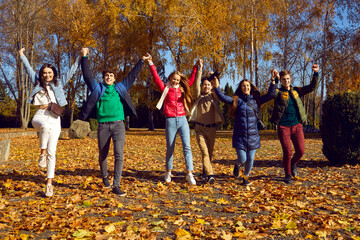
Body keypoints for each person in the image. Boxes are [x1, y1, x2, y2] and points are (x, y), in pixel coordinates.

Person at [79, 48, 150, 196]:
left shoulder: (120, 87)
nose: (109, 77)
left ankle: (116, 185)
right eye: (106, 75)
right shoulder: (97, 87)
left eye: (111, 75)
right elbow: (87, 75)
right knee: (103, 154)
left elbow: (133, 75)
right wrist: (84, 57)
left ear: (114, 78)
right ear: (103, 77)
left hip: (118, 124)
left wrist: (142, 61)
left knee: (119, 154)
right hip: (103, 125)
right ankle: (105, 177)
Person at [19, 47, 80, 197]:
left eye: (49, 73)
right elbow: (28, 69)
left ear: (54, 74)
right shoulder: (37, 82)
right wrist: (22, 56)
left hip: (55, 118)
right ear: (42, 74)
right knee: (44, 127)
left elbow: (71, 71)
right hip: (40, 116)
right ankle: (42, 152)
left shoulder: (59, 83)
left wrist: (80, 58)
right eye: (45, 73)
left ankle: (49, 184)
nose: (47, 75)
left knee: (53, 153)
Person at [213, 71, 277, 185]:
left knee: (250, 159)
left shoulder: (256, 100)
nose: (246, 87)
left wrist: (273, 80)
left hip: (253, 136)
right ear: (241, 88)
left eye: (247, 85)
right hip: (240, 136)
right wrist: (216, 85)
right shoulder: (236, 100)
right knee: (242, 159)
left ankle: (245, 176)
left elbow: (271, 95)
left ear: (250, 87)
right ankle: (237, 165)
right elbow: (222, 97)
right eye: (243, 85)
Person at [145, 54, 199, 185]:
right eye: (174, 79)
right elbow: (156, 78)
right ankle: (168, 172)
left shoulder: (182, 89)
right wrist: (151, 63)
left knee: (187, 147)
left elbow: (191, 80)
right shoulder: (165, 89)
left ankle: (189, 174)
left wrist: (195, 67)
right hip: (170, 120)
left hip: (182, 120)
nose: (176, 81)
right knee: (170, 147)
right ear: (170, 78)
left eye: (178, 80)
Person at [270, 65, 319, 184]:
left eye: (288, 79)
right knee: (287, 152)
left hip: (297, 126)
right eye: (283, 79)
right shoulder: (278, 92)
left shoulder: (296, 90)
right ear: (281, 81)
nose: (286, 81)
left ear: (290, 79)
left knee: (301, 151)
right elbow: (271, 93)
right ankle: (287, 174)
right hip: (283, 127)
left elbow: (312, 87)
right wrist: (273, 79)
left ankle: (292, 164)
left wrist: (316, 74)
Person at [189, 62, 224, 184]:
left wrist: (215, 79)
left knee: (209, 154)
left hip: (212, 129)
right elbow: (196, 86)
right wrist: (200, 69)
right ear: (202, 86)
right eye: (205, 85)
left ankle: (204, 172)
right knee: (204, 152)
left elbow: (217, 90)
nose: (207, 87)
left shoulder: (214, 97)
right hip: (200, 129)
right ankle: (210, 175)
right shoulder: (198, 96)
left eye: (209, 85)